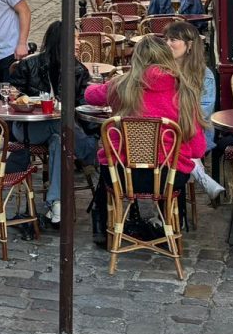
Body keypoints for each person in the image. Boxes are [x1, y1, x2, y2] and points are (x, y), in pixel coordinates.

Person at [85, 35, 206, 238]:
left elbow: (90, 95)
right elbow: (198, 150)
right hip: (169, 177)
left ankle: (104, 226)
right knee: (177, 160)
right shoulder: (184, 90)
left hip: (123, 175)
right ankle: (169, 223)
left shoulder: (122, 85)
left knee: (109, 160)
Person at [7, 21, 98, 225]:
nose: (79, 43)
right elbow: (13, 95)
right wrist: (21, 97)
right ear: (61, 42)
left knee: (59, 139)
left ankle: (55, 203)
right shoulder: (30, 64)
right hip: (28, 127)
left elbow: (84, 105)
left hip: (59, 131)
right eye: (74, 39)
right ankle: (90, 152)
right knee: (60, 123)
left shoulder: (78, 70)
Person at [164, 20, 225, 206]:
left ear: (189, 45)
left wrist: (175, 116)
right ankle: (199, 173)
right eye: (165, 39)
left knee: (177, 142)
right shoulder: (161, 70)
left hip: (194, 131)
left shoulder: (203, 74)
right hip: (166, 131)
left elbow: (203, 111)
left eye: (173, 39)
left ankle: (170, 212)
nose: (167, 44)